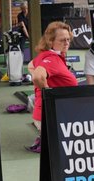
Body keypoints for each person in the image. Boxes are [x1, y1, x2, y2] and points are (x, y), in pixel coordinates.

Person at [26, 21, 77, 153]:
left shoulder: (46, 56)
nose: (66, 43)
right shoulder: (52, 59)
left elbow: (31, 66)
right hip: (50, 114)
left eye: (68, 39)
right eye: (62, 40)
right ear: (51, 42)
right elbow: (37, 76)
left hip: (47, 114)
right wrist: (48, 92)